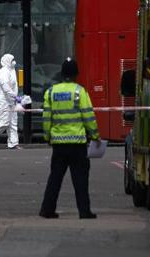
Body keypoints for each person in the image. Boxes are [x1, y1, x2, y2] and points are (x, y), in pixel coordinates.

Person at [39, 57, 101, 219]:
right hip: (78, 144)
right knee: (80, 179)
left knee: (55, 178)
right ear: (76, 74)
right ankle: (84, 211)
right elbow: (88, 116)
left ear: (62, 73)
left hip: (59, 144)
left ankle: (47, 209)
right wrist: (95, 135)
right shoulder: (79, 92)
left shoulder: (51, 92)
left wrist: (47, 136)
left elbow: (47, 118)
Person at [0, 54, 31, 150]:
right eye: (12, 60)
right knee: (5, 122)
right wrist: (16, 97)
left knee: (13, 122)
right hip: (2, 100)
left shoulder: (11, 71)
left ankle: (13, 143)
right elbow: (6, 88)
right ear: (7, 61)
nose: (14, 62)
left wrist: (16, 98)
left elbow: (13, 87)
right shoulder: (2, 73)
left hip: (10, 100)